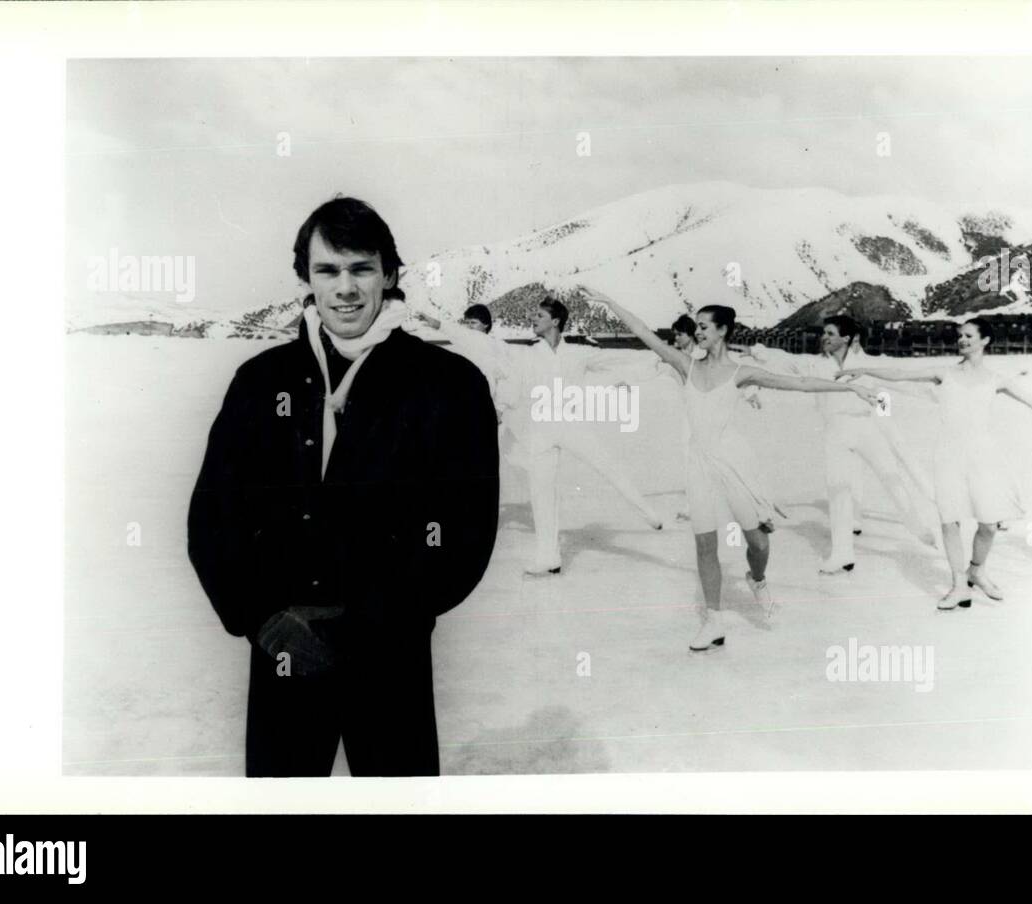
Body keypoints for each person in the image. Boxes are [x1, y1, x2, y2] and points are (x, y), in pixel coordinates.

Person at [187, 197, 500, 776]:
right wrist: (263, 619)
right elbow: (214, 519)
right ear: (306, 279)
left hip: (389, 657)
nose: (346, 288)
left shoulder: (447, 384)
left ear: (390, 274)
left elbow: (462, 531)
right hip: (283, 650)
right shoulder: (261, 382)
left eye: (361, 268)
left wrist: (370, 625)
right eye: (328, 270)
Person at [590, 290, 880, 651]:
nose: (697, 332)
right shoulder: (686, 365)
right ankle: (714, 620)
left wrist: (852, 392)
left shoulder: (741, 373)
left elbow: (801, 384)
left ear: (723, 330)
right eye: (696, 327)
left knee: (758, 541)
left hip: (732, 464)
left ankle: (757, 579)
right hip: (698, 464)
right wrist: (608, 301)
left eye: (704, 327)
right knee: (704, 545)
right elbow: (645, 333)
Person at [840, 318, 1032, 610]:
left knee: (988, 524)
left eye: (969, 335)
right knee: (950, 520)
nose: (962, 340)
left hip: (984, 457)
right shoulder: (944, 372)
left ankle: (977, 570)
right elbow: (899, 373)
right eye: (960, 335)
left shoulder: (996, 379)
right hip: (948, 453)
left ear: (984, 341)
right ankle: (959, 584)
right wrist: (862, 369)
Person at [744, 315, 937, 574]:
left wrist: (932, 392)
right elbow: (787, 363)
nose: (825, 337)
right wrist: (761, 352)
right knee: (838, 491)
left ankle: (920, 528)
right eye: (824, 332)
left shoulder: (865, 363)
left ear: (846, 338)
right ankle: (842, 553)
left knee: (893, 480)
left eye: (831, 333)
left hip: (867, 429)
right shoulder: (814, 364)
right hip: (835, 433)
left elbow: (897, 382)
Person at [498, 296, 665, 575]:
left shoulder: (577, 353)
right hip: (540, 430)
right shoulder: (527, 355)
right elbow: (514, 384)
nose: (532, 319)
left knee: (608, 466)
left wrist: (657, 360)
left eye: (539, 315)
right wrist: (502, 406)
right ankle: (548, 557)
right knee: (542, 493)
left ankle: (649, 513)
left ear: (556, 321)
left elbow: (615, 359)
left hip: (571, 424)